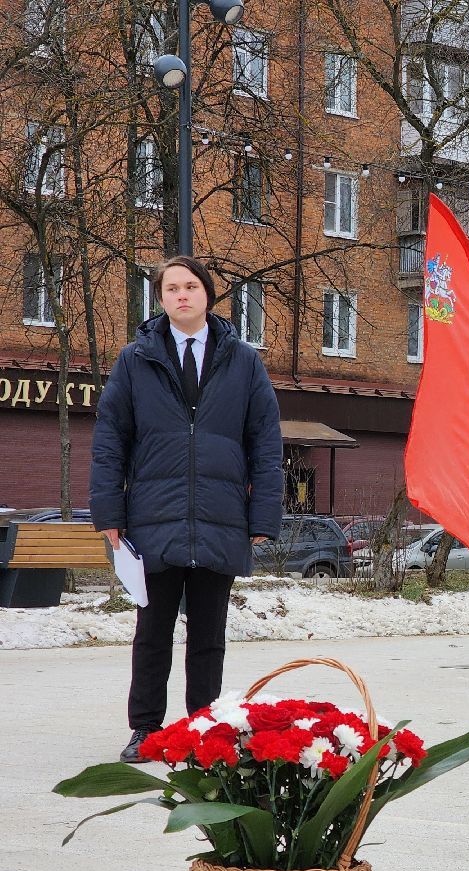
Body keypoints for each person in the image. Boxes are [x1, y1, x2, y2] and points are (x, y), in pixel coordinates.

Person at [91, 256, 283, 763]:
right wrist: (108, 513)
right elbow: (111, 440)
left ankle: (206, 729)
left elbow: (265, 442)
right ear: (160, 299)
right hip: (153, 519)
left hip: (221, 519)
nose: (182, 295)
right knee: (151, 633)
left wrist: (263, 517)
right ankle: (146, 730)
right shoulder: (136, 360)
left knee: (208, 635)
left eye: (190, 286)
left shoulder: (244, 361)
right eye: (171, 288)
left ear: (208, 295)